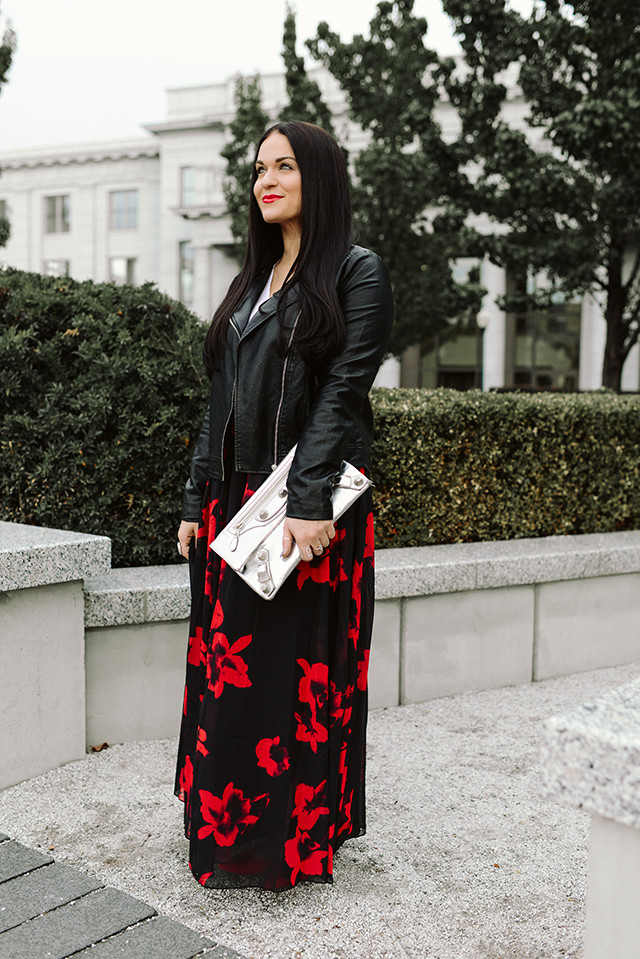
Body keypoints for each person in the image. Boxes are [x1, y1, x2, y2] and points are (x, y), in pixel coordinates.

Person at [175, 120, 393, 891]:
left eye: (284, 166)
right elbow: (221, 402)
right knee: (232, 671)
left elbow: (343, 390)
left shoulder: (356, 272)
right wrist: (198, 494)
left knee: (287, 676)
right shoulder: (252, 281)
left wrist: (307, 503)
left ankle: (285, 842)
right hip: (240, 501)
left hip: (307, 504)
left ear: (321, 175)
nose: (265, 179)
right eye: (258, 167)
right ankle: (229, 826)